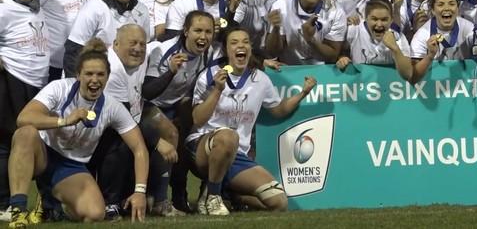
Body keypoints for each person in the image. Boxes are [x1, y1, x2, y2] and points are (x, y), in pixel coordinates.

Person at [5, 41, 148, 226]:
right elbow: (23, 118)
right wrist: (63, 121)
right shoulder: (59, 88)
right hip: (42, 154)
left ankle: (51, 201)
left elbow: (139, 148)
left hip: (71, 166)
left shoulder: (113, 107)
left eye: (100, 74)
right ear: (78, 75)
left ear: (107, 77)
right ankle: (19, 211)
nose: (94, 79)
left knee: (95, 214)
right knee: (25, 134)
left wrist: (140, 191)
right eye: (89, 74)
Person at [188, 27, 317, 215]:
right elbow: (198, 120)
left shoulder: (260, 79)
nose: (241, 45)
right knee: (228, 136)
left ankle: (231, 195)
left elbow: (278, 110)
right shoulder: (210, 75)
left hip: (236, 154)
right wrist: (217, 90)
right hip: (203, 146)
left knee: (278, 202)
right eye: (234, 42)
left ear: (250, 48)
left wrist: (303, 93)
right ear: (226, 50)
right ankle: (212, 197)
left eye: (245, 41)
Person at [89, 25, 179, 219]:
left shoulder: (138, 60)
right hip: (92, 137)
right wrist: (156, 141)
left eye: (142, 44)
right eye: (132, 43)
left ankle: (140, 198)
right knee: (121, 142)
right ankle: (110, 202)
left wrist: (170, 70)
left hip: (119, 125)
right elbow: (124, 119)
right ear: (115, 44)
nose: (138, 48)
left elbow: (144, 94)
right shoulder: (111, 70)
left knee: (155, 152)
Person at [144, 11, 218, 212]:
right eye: (198, 30)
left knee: (186, 140)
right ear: (186, 31)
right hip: (148, 106)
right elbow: (147, 92)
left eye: (208, 32)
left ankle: (180, 195)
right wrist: (170, 72)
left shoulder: (209, 53)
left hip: (176, 104)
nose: (203, 36)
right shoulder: (164, 51)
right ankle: (160, 201)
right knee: (172, 133)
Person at [0, 0, 51, 216]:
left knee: (38, 140)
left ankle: (46, 204)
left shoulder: (36, 7)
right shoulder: (4, 8)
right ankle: (3, 204)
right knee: (6, 142)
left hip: (38, 83)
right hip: (12, 80)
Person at [63, 0, 150, 77]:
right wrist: (76, 90)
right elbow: (73, 51)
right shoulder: (94, 8)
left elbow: (143, 50)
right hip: (95, 82)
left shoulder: (142, 10)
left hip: (128, 80)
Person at [336, 0, 413, 81]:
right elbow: (338, 52)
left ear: (391, 20)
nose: (379, 24)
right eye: (374, 19)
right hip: (359, 86)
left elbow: (408, 74)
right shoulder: (353, 31)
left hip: (388, 87)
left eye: (384, 19)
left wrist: (395, 49)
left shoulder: (397, 37)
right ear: (366, 18)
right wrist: (342, 58)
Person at [409, 0, 477, 82]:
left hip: (464, 84)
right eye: (440, 4)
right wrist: (430, 56)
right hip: (433, 86)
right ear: (432, 10)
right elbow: (414, 77)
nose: (446, 8)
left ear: (457, 8)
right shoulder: (421, 36)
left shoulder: (469, 28)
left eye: (451, 4)